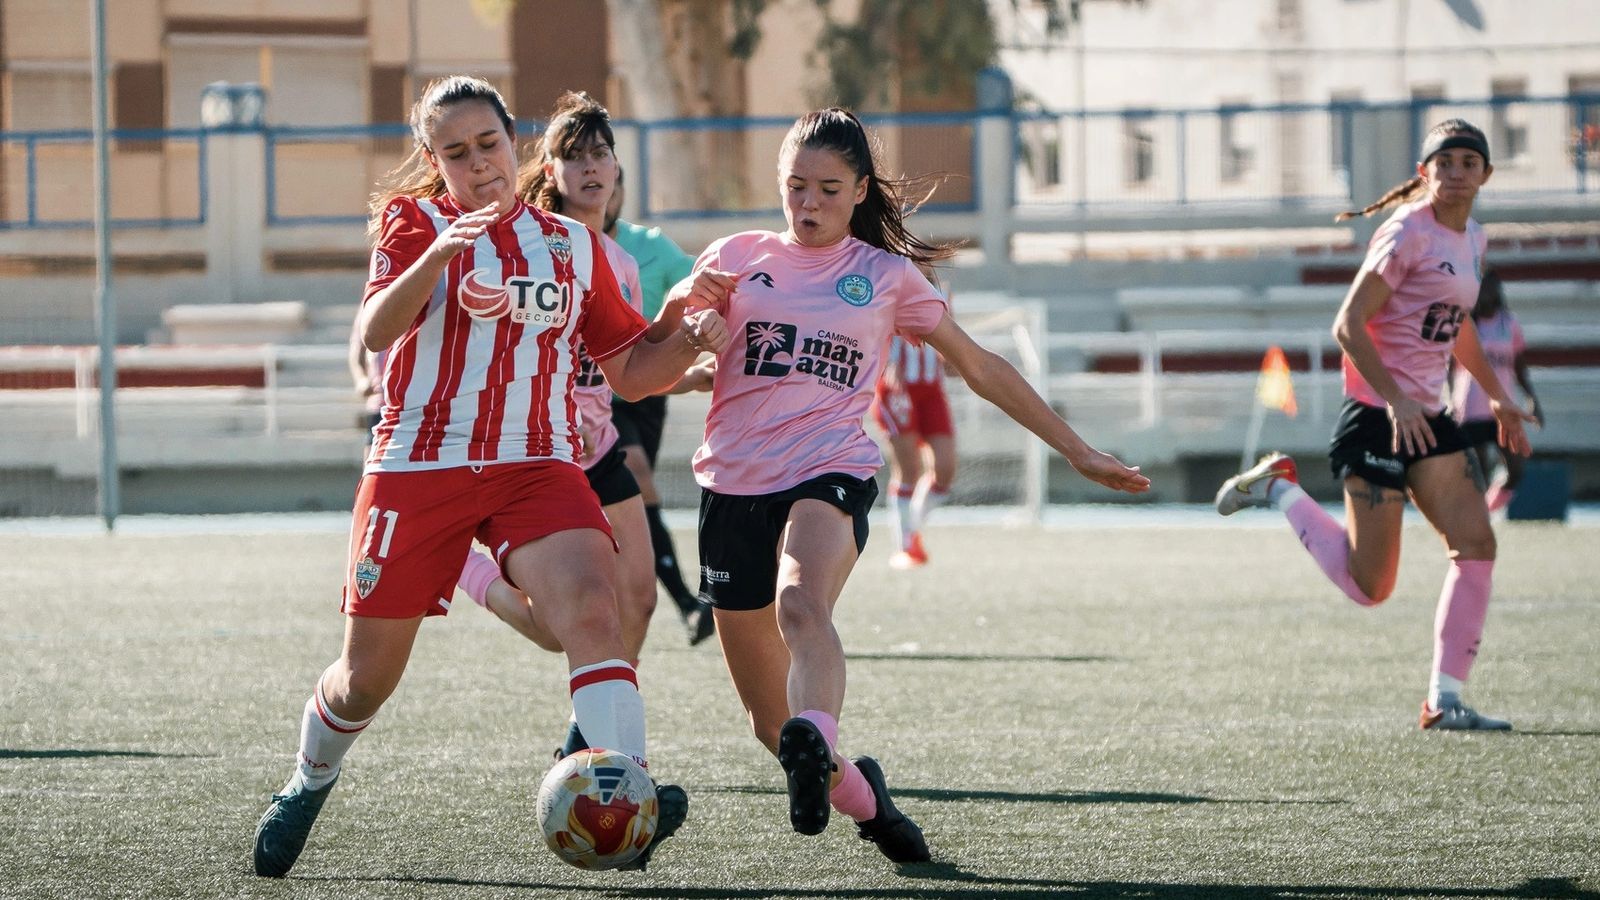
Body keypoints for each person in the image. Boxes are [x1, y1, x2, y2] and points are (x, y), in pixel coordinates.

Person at [252, 75, 728, 878]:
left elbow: (632, 370)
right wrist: (438, 255)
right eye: (456, 153)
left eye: (490, 145)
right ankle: (309, 778)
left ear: (518, 145)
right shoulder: (413, 221)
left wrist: (692, 339)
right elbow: (375, 331)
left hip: (535, 464)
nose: (479, 165)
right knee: (365, 682)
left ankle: (628, 797)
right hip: (418, 467)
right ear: (434, 162)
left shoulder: (571, 246)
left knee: (592, 607)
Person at [674, 108, 1149, 864]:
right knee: (771, 725)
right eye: (796, 185)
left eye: (829, 188)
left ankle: (818, 736)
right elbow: (653, 362)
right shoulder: (733, 258)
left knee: (802, 603)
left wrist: (1078, 449)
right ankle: (865, 798)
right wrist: (692, 337)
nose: (809, 202)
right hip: (730, 489)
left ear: (860, 190)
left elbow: (981, 367)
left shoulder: (885, 277)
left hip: (828, 469)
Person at [1215, 119, 1536, 732]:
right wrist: (1395, 400)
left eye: (1470, 161)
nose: (1457, 172)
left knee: (1477, 545)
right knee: (1371, 589)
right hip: (1376, 415)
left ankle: (1444, 701)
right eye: (1445, 162)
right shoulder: (1406, 233)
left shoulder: (1474, 238)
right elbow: (1348, 325)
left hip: (1427, 417)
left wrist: (1497, 396)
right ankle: (1279, 485)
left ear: (1486, 174)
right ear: (1425, 173)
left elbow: (1456, 322)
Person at [453, 90, 683, 758]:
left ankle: (597, 743)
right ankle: (464, 573)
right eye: (572, 155)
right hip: (536, 455)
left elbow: (625, 366)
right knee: (557, 624)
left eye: (600, 154)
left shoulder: (624, 263)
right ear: (548, 170)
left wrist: (698, 345)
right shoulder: (528, 248)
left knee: (637, 601)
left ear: (616, 171)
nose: (590, 167)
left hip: (599, 447)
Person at [603, 168, 715, 644]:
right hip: (598, 393)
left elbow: (702, 283)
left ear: (621, 187)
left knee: (633, 497)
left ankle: (660, 599)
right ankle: (687, 601)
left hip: (650, 389)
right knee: (637, 474)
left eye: (610, 176)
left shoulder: (649, 246)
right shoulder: (560, 239)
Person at [869, 266, 957, 569]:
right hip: (898, 388)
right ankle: (905, 546)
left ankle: (913, 528)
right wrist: (887, 364)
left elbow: (951, 336)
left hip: (931, 389)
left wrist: (957, 361)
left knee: (944, 469)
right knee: (909, 468)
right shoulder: (889, 281)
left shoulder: (942, 290)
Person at [1449, 269, 1542, 513]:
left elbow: (1519, 366)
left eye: (1491, 288)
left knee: (1516, 468)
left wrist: (1532, 399)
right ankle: (1477, 517)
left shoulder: (1508, 323)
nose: (1487, 293)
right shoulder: (1466, 323)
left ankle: (1489, 507)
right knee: (1476, 471)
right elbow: (1450, 366)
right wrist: (1449, 399)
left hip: (1502, 408)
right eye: (1483, 288)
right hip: (1470, 408)